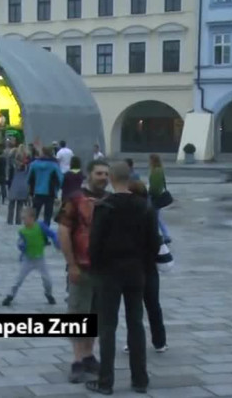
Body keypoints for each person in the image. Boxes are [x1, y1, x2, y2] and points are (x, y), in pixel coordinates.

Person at [85, 162, 159, 395]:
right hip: (136, 270)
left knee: (108, 326)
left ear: (111, 178)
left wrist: (96, 268)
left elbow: (95, 244)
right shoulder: (144, 206)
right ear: (130, 178)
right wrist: (144, 265)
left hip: (109, 272)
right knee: (136, 323)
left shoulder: (105, 207)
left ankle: (106, 381)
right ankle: (140, 379)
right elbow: (154, 242)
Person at [56, 159, 110, 384]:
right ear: (89, 174)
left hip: (105, 269)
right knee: (78, 313)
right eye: (99, 173)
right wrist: (72, 264)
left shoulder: (110, 201)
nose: (103, 177)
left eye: (106, 174)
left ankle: (89, 356)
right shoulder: (75, 199)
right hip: (81, 266)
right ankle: (77, 360)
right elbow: (63, 231)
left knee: (97, 315)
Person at [126, 180, 168, 354]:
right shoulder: (150, 212)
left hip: (132, 266)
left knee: (133, 307)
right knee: (153, 305)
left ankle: (133, 342)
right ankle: (159, 342)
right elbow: (156, 240)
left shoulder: (125, 215)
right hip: (148, 266)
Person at [3, 207, 59, 306]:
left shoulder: (40, 226)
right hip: (27, 259)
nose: (23, 221)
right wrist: (21, 246)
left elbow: (51, 233)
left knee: (47, 280)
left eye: (24, 218)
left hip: (40, 259)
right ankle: (10, 295)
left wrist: (56, 240)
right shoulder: (22, 231)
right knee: (18, 279)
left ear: (32, 218)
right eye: (22, 218)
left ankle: (48, 294)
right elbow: (20, 243)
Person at [29, 147, 63, 226]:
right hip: (50, 192)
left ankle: (32, 229)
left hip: (37, 192)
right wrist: (57, 189)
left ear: (42, 153)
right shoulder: (54, 165)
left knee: (35, 214)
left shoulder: (34, 164)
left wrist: (30, 189)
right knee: (47, 215)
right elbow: (60, 178)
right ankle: (46, 230)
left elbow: (29, 178)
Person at [148, 154, 171, 244]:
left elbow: (155, 186)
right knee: (157, 217)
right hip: (157, 195)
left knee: (155, 217)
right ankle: (165, 235)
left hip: (155, 196)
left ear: (153, 161)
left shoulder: (156, 171)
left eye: (150, 160)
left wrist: (150, 193)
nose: (149, 162)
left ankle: (163, 235)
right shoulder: (160, 170)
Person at [7, 146, 30, 225]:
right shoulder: (27, 165)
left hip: (14, 184)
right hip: (23, 184)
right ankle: (18, 220)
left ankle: (10, 220)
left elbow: (10, 174)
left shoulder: (14, 164)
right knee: (20, 204)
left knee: (11, 203)